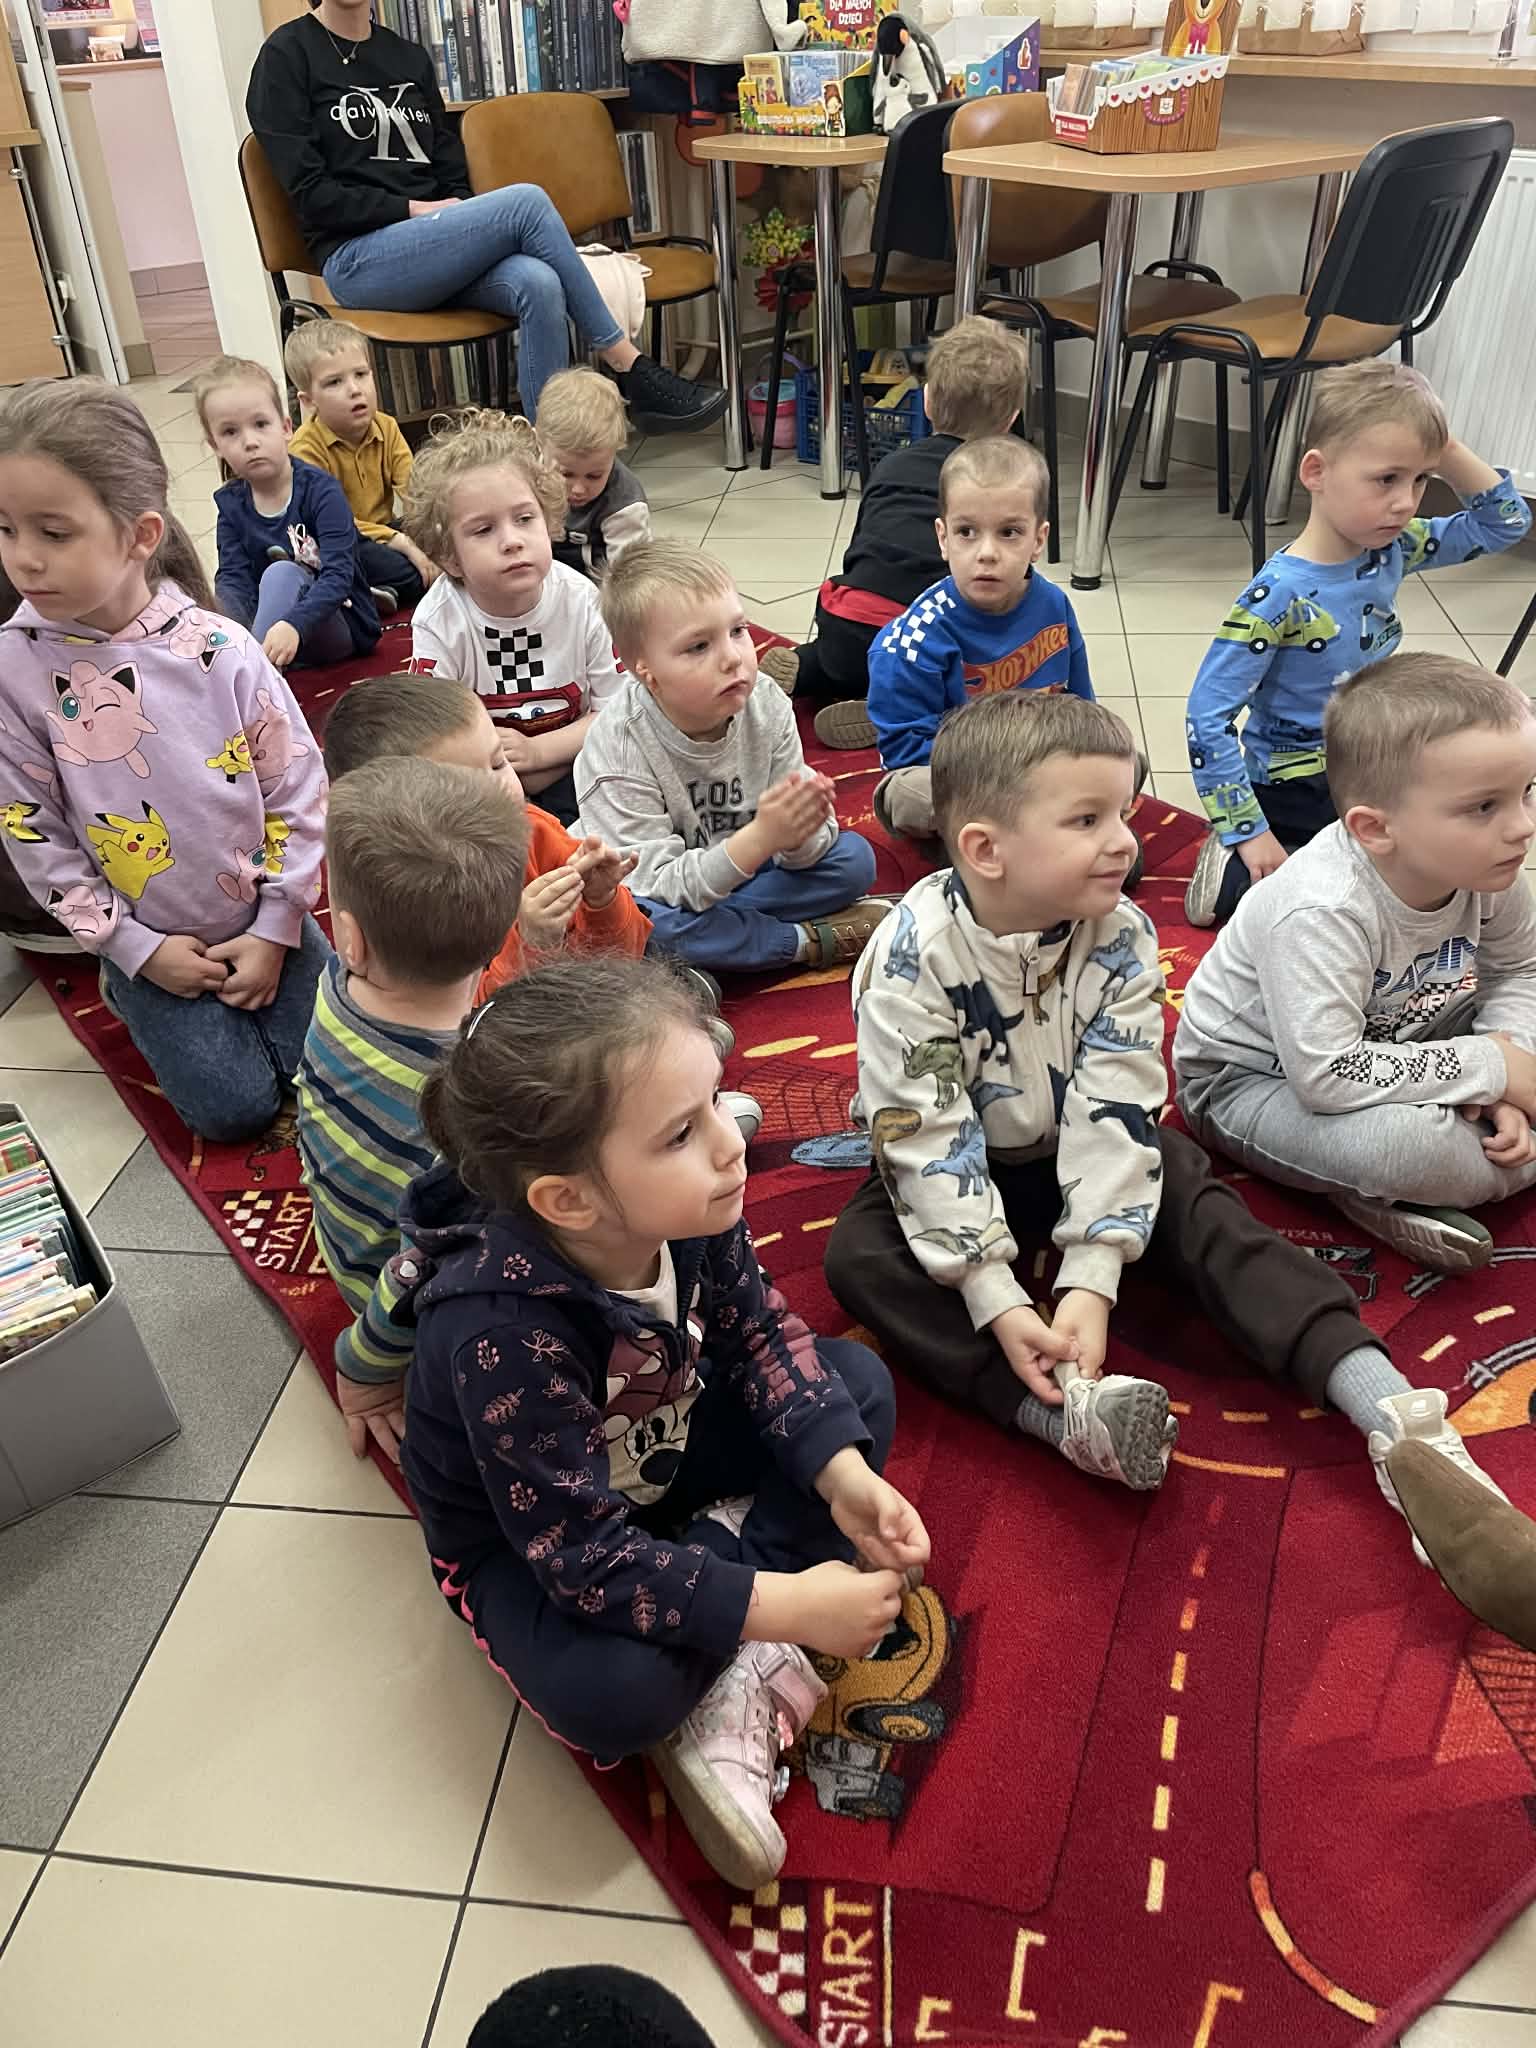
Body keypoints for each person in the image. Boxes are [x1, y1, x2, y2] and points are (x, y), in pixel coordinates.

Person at [823, 690, 1531, 1613]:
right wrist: (995, 1292)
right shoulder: (909, 957)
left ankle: (1392, 1412)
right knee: (863, 1259)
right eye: (1088, 820)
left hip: (1081, 1149)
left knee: (1205, 1212)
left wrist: (1092, 1272)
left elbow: (1116, 1103)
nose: (1127, 842)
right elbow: (925, 1138)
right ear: (986, 850)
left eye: (1125, 811)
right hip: (961, 1164)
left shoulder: (1121, 931)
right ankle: (1053, 1414)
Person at [398, 954, 930, 1891]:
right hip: (529, 1543)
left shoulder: (693, 1204)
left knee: (853, 1390)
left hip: (655, 1440)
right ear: (568, 1200)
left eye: (717, 1100)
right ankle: (743, 1626)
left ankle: (716, 1606)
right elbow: (578, 1557)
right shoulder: (499, 1329)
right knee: (616, 1696)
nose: (731, 1145)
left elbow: (759, 1335)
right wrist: (786, 1606)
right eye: (683, 1132)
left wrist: (843, 1476)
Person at [0, 378, 330, 1143]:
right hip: (143, 934)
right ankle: (130, 990)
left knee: (327, 1069)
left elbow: (298, 787)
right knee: (233, 1112)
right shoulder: (14, 671)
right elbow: (32, 831)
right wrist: (135, 949)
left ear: (140, 536)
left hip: (262, 911)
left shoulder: (222, 649)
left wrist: (276, 924)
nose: (23, 559)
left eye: (54, 533)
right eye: (6, 528)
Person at [1175, 651, 1536, 1277]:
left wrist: (1509, 1059)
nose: (1522, 828)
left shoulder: (1488, 867)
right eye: (1484, 807)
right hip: (1253, 1081)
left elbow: (1520, 972)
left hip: (1404, 1035)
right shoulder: (1322, 908)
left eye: (1527, 792)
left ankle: (1399, 1184)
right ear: (1374, 829)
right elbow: (1325, 1074)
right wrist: (1493, 1070)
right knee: (1412, 1149)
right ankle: (1390, 1183)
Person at [246, 0, 726, 431]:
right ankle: (630, 365)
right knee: (526, 201)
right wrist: (415, 210)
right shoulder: (286, 56)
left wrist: (451, 219)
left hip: (434, 248)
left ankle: (546, 457)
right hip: (357, 258)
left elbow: (449, 167)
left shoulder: (406, 57)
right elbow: (312, 195)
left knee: (539, 282)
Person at [1183, 359, 1531, 928]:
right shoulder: (1277, 596)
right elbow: (1207, 715)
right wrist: (1249, 832)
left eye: (1420, 479)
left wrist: (1444, 449)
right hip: (1292, 782)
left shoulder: (1393, 548)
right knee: (1304, 903)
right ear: (1316, 472)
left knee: (1408, 869)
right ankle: (1231, 857)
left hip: (1369, 757)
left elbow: (1504, 524)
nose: (1407, 502)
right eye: (1386, 479)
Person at [295, 756, 528, 1458]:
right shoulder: (468, 1112)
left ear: (350, 938)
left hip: (345, 1229)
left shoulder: (338, 982)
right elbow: (419, 1267)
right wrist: (365, 1370)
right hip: (397, 1304)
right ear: (504, 933)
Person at [577, 542, 890, 974]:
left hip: (746, 870)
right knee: (645, 923)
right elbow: (653, 884)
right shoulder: (618, 745)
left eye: (738, 630)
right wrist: (760, 839)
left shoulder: (766, 701)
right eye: (698, 646)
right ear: (645, 671)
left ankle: (716, 949)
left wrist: (799, 832)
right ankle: (802, 943)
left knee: (852, 860)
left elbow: (803, 852)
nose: (733, 658)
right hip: (669, 888)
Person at [759, 315, 1032, 750]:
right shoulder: (1005, 488)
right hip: (916, 650)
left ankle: (808, 667)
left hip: (845, 624)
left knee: (847, 643)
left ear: (927, 401)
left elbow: (861, 549)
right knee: (981, 676)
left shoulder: (891, 464)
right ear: (1010, 420)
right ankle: (902, 711)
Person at [321, 670, 651, 995]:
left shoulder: (536, 831)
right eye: (467, 789)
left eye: (498, 763)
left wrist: (603, 902)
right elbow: (465, 1020)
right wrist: (529, 944)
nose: (502, 789)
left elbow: (622, 961)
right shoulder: (418, 893)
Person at [864, 436, 1093, 847]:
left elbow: (1081, 707)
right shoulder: (913, 642)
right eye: (966, 532)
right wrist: (1006, 779)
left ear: (1038, 540)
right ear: (943, 538)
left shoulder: (1054, 604)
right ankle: (1033, 836)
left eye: (1009, 532)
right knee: (909, 797)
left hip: (1036, 761)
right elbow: (908, 755)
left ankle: (1029, 836)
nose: (987, 553)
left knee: (1124, 759)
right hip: (960, 774)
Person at [402, 409, 619, 829]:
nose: (512, 541)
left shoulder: (583, 602)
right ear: (449, 557)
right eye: (483, 530)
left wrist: (540, 753)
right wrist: (499, 771)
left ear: (549, 521)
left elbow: (617, 713)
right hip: (483, 780)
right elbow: (432, 739)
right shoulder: (438, 620)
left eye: (524, 519)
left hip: (575, 763)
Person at [197, 354, 381, 670]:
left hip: (340, 622)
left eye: (260, 424)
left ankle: (254, 677)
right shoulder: (231, 505)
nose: (250, 442)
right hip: (277, 632)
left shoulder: (321, 490)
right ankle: (244, 665)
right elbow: (234, 579)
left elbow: (339, 576)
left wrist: (294, 624)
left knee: (281, 572)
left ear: (285, 427)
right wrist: (228, 631)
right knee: (220, 606)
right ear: (215, 445)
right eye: (230, 432)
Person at [285, 316, 437, 612]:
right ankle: (354, 590)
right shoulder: (305, 449)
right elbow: (335, 524)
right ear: (309, 400)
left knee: (447, 536)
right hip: (339, 541)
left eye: (361, 374)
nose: (355, 389)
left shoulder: (386, 426)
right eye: (335, 382)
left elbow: (416, 492)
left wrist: (432, 534)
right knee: (408, 571)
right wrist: (403, 543)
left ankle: (371, 591)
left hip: (383, 531)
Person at [536, 367, 652, 579]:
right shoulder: (523, 476)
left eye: (594, 476)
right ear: (540, 444)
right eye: (566, 474)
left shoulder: (624, 503)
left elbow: (628, 580)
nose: (578, 489)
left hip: (598, 588)